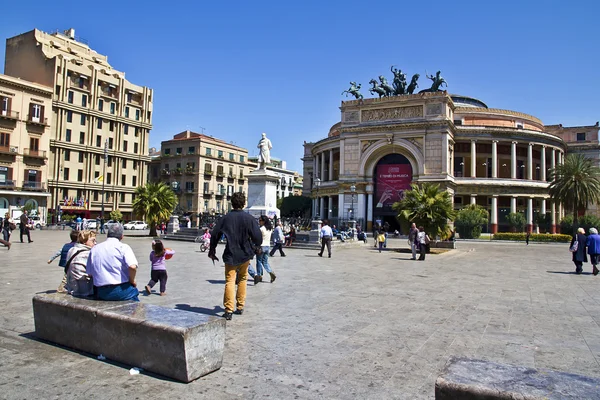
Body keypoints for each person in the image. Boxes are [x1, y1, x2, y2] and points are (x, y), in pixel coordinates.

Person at [208, 192, 262, 320]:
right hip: (245, 254)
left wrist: (212, 250)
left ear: (232, 203)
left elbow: (214, 234)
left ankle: (228, 310)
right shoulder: (249, 219)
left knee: (230, 280)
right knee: (243, 278)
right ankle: (240, 306)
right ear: (244, 203)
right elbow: (258, 238)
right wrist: (255, 245)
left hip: (231, 254)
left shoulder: (226, 218)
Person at [86, 223, 139, 301]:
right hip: (120, 288)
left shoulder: (95, 249)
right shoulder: (124, 247)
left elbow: (89, 273)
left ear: (107, 234)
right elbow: (132, 267)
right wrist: (132, 281)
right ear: (122, 236)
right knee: (134, 296)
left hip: (100, 290)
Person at [65, 230, 96, 297]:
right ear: (84, 241)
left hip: (71, 287)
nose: (95, 243)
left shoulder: (71, 250)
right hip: (85, 289)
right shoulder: (88, 254)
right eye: (93, 241)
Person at [255, 215, 276, 284]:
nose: (259, 222)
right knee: (265, 262)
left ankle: (259, 275)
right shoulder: (269, 229)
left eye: (260, 220)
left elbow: (258, 238)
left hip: (261, 246)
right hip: (267, 246)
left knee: (259, 261)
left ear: (264, 221)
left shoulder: (262, 229)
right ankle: (270, 272)